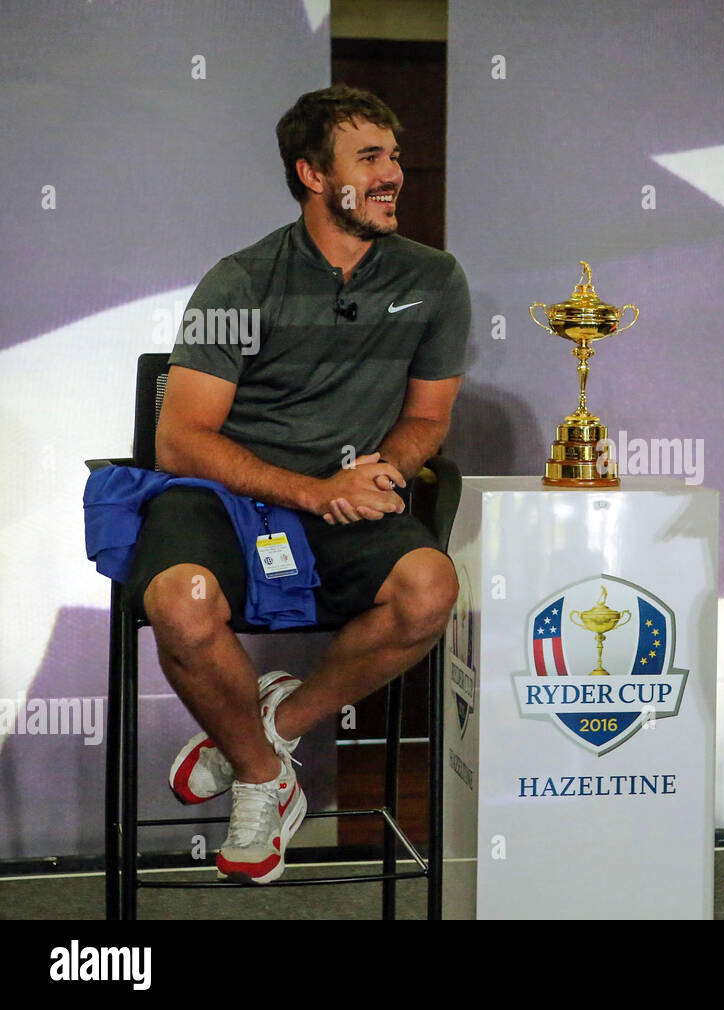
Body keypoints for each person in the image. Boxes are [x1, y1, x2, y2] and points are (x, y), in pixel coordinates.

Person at [126, 84, 470, 883]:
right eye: (370, 159)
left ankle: (271, 724)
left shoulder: (435, 278)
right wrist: (313, 492)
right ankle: (261, 776)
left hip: (345, 493)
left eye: (394, 156)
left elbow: (428, 419)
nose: (394, 174)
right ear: (313, 174)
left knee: (429, 588)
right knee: (181, 601)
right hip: (227, 497)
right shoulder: (240, 281)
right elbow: (180, 441)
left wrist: (385, 472)